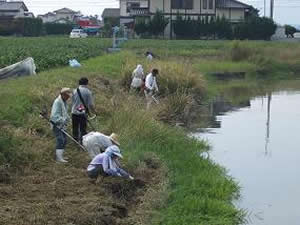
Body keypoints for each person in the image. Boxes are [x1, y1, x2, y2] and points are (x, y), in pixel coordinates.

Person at [50, 88, 72, 163]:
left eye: (69, 96)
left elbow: (65, 113)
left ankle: (61, 156)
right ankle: (58, 159)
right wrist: (62, 120)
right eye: (67, 96)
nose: (68, 98)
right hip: (56, 124)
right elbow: (54, 116)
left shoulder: (64, 102)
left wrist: (68, 120)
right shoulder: (57, 102)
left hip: (62, 124)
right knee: (60, 140)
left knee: (65, 140)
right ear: (62, 95)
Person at [71, 77, 96, 143]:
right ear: (86, 83)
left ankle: (75, 142)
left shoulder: (74, 91)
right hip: (82, 113)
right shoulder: (88, 92)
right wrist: (94, 112)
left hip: (74, 112)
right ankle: (82, 143)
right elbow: (90, 104)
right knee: (83, 129)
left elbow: (73, 101)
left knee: (75, 128)